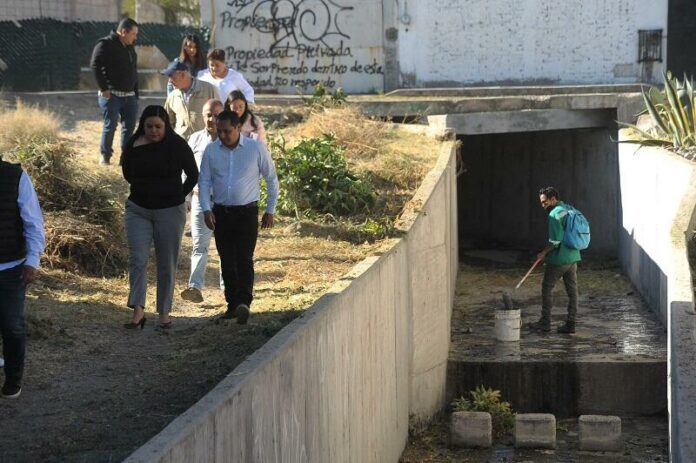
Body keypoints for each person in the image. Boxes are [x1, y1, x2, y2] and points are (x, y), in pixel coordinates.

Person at [121, 105, 198, 330]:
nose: (153, 131)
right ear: (142, 126)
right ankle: (138, 311)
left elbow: (193, 174)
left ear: (166, 126)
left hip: (170, 211)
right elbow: (127, 174)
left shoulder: (177, 146)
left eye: (158, 126)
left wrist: (177, 196)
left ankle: (164, 312)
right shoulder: (133, 145)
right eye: (149, 126)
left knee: (166, 263)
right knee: (138, 260)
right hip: (138, 210)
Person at [198, 111, 279, 324]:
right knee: (226, 260)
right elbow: (204, 181)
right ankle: (232, 304)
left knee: (244, 258)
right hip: (221, 213)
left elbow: (271, 179)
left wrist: (270, 210)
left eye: (227, 131)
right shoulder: (211, 150)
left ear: (237, 128)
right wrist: (206, 209)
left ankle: (244, 302)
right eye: (219, 131)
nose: (223, 135)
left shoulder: (255, 148)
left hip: (247, 212)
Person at [0, 156, 45, 398]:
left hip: (11, 266)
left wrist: (32, 261)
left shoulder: (15, 176)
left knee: (12, 325)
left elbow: (33, 221)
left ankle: (13, 379)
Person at [180, 99, 225, 303]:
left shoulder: (231, 141)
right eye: (208, 114)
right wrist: (186, 197)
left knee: (226, 246)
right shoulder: (195, 139)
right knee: (199, 246)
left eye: (216, 115)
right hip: (200, 200)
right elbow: (186, 172)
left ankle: (228, 288)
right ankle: (194, 287)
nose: (212, 119)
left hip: (225, 203)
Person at [530, 186, 581, 334]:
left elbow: (555, 240)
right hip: (573, 257)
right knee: (573, 292)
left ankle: (545, 322)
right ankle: (571, 324)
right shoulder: (568, 209)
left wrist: (543, 253)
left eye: (545, 202)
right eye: (541, 202)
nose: (543, 205)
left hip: (559, 259)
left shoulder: (554, 214)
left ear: (553, 199)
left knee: (547, 287)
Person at [90, 17, 139, 166]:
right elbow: (95, 65)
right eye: (133, 34)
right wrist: (104, 88)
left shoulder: (130, 47)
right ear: (124, 32)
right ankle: (105, 156)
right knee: (110, 125)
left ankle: (125, 158)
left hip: (129, 95)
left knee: (129, 126)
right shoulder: (105, 44)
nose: (135, 38)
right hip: (111, 95)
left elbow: (133, 71)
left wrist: (136, 94)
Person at [163, 60, 218, 140]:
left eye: (172, 77)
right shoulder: (172, 96)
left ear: (183, 75)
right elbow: (167, 122)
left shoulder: (208, 89)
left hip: (205, 143)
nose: (170, 81)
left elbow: (221, 115)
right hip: (181, 144)